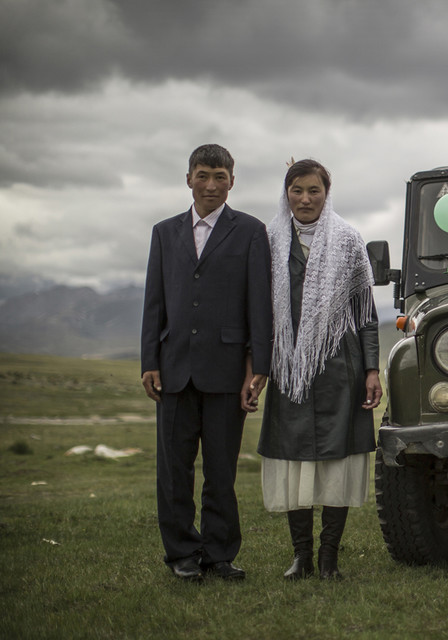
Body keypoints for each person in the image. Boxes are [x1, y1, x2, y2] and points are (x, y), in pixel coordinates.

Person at [140, 144, 272, 581]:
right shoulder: (163, 232)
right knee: (173, 470)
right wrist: (149, 360)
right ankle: (181, 553)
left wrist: (258, 367)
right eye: (203, 175)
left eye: (219, 176)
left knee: (221, 470)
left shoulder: (251, 232)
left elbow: (259, 305)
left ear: (232, 181)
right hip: (174, 367)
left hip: (228, 370)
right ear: (189, 179)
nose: (211, 184)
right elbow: (154, 302)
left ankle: (219, 555)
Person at [258, 159, 381, 580]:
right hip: (288, 368)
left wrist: (371, 369)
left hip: (338, 367)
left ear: (327, 193)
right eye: (297, 190)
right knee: (294, 457)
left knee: (335, 461)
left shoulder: (348, 241)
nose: (305, 198)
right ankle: (301, 557)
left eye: (314, 190)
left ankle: (329, 559)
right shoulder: (269, 239)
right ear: (286, 192)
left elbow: (365, 313)